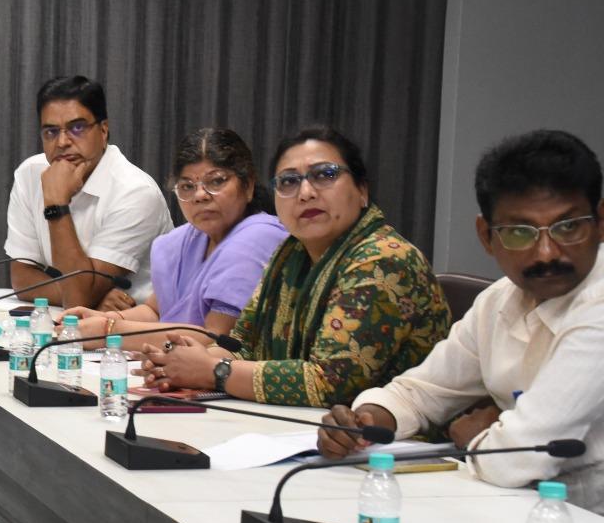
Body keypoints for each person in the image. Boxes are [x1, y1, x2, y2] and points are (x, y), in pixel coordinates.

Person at [321, 130, 604, 513]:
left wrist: (475, 437)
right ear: (486, 237)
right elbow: (419, 392)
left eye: (568, 227)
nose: (546, 253)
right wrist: (366, 421)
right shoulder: (500, 301)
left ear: (600, 223)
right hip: (527, 510)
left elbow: (519, 458)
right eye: (518, 233)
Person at [138, 126, 450, 407]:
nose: (306, 193)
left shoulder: (383, 259)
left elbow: (328, 382)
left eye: (325, 175)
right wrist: (180, 364)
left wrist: (214, 370)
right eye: (289, 181)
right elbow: (242, 345)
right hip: (307, 432)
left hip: (396, 442)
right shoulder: (289, 256)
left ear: (362, 190)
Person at [63, 128, 287, 344]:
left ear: (248, 186)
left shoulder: (259, 237)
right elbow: (154, 311)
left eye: (216, 181)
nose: (200, 195)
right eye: (187, 186)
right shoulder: (181, 242)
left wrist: (108, 331)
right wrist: (106, 318)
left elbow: (214, 338)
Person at [4, 75, 170, 308]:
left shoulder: (136, 192)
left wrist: (56, 204)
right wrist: (89, 298)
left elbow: (78, 298)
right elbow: (22, 278)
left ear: (103, 131)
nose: (62, 142)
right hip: (82, 317)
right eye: (51, 132)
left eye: (77, 128)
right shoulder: (30, 174)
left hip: (140, 323)